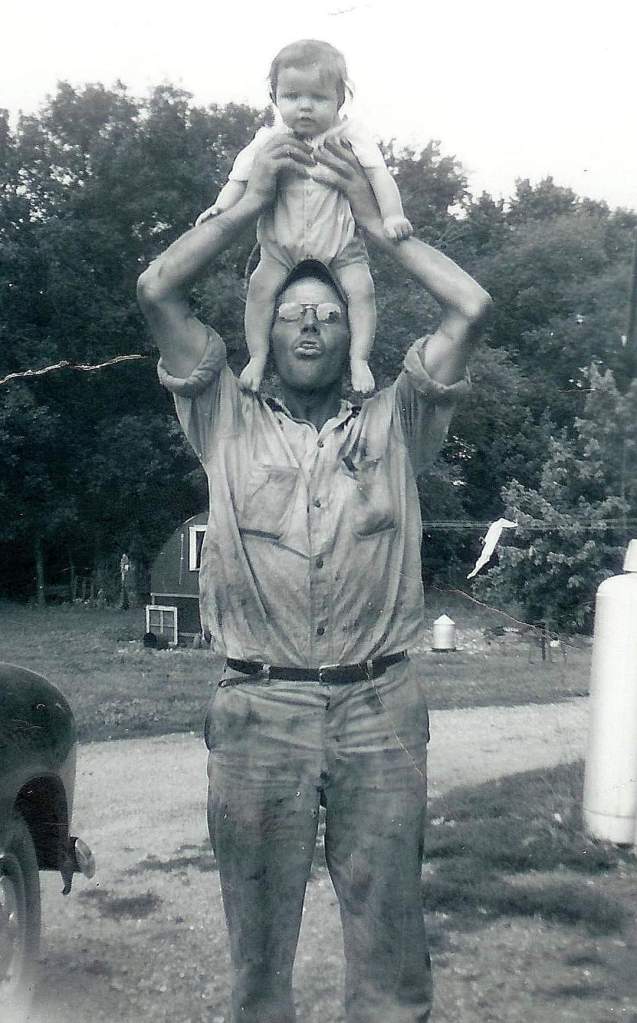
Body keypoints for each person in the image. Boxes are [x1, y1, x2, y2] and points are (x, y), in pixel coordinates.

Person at [137, 133, 491, 1023]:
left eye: (328, 314)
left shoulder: (398, 421)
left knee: (391, 955)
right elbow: (158, 289)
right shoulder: (222, 417)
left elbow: (469, 308)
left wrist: (376, 223)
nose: (308, 324)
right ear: (266, 325)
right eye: (293, 311)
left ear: (352, 330)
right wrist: (249, 206)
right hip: (258, 710)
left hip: (380, 707)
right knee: (257, 966)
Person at [196, 39, 413, 395]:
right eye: (292, 96)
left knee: (362, 291)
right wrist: (222, 207)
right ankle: (257, 356)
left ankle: (359, 359)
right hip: (280, 248)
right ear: (274, 98)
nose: (305, 106)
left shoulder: (350, 135)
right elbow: (238, 179)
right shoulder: (269, 140)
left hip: (341, 246)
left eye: (319, 97)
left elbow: (379, 175)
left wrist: (392, 215)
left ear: (340, 99)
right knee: (259, 290)